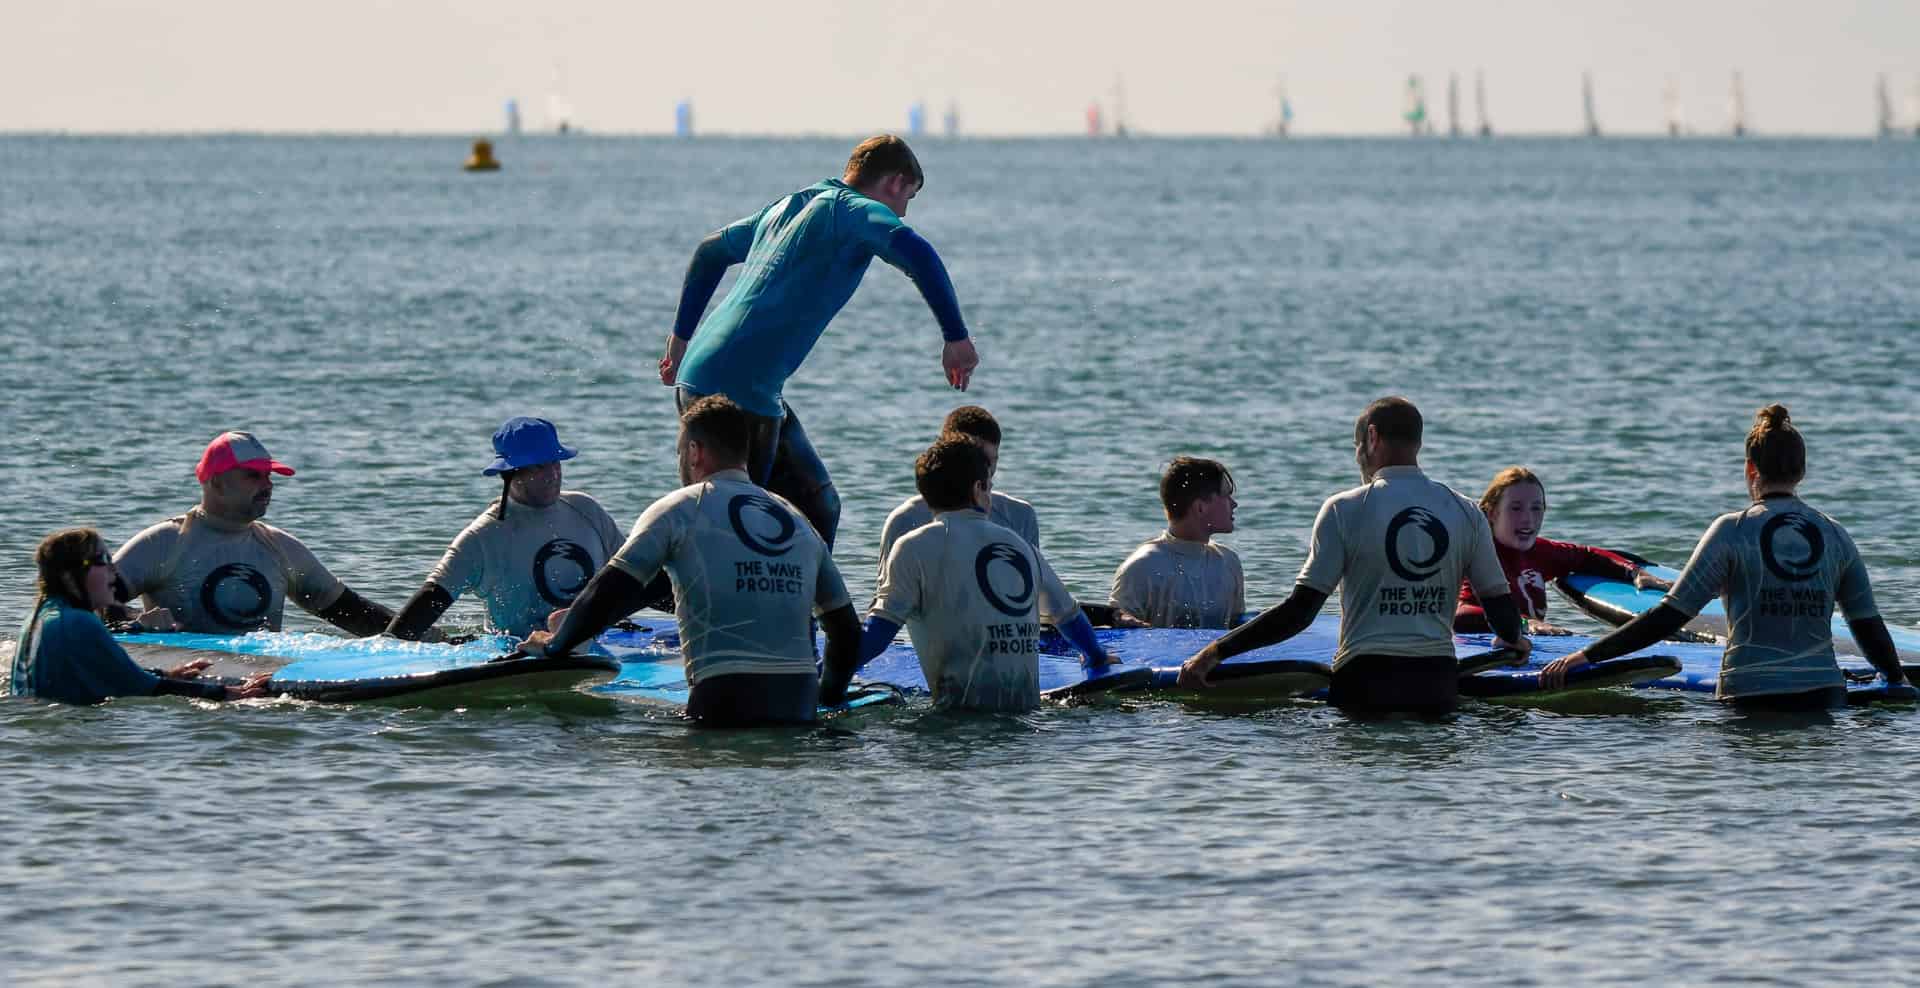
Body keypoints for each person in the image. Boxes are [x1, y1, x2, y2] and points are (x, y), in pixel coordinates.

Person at [657, 134, 981, 549]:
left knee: (816, 504)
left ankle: (806, 611)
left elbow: (708, 252)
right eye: (910, 197)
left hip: (706, 377)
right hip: (740, 392)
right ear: (896, 183)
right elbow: (918, 253)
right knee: (738, 527)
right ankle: (629, 601)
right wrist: (956, 337)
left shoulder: (789, 205)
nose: (903, 210)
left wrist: (679, 338)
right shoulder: (853, 211)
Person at [519, 396, 861, 726]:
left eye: (680, 452)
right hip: (799, 710)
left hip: (722, 705)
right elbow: (846, 633)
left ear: (695, 452)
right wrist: (826, 700)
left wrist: (557, 644)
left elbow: (610, 588)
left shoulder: (679, 509)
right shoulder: (798, 521)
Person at [1178, 397, 1530, 714]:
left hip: (1364, 683)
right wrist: (1514, 637)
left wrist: (1214, 653)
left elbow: (1299, 612)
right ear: (1418, 442)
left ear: (1371, 438)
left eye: (1356, 445)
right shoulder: (1465, 512)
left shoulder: (1344, 509)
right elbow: (1501, 612)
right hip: (1435, 684)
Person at [1540, 405, 1908, 708]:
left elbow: (1668, 617)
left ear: (1750, 469)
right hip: (1825, 695)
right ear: (1803, 472)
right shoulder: (1835, 534)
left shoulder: (1732, 531)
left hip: (1750, 695)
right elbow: (1867, 624)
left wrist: (1585, 657)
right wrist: (1895, 678)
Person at [821, 435, 1112, 712]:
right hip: (1025, 725)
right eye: (989, 486)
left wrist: (822, 678)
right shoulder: (1020, 546)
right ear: (977, 489)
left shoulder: (913, 547)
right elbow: (1068, 617)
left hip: (955, 720)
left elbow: (879, 635)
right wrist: (1096, 656)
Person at [111, 431, 395, 636]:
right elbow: (88, 603)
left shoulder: (280, 547)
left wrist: (426, 639)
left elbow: (352, 613)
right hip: (191, 688)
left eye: (269, 476)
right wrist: (137, 622)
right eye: (253, 475)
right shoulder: (164, 543)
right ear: (217, 483)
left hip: (261, 687)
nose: (268, 485)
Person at [386, 417, 640, 640]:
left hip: (593, 642)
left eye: (555, 462)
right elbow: (431, 598)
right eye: (539, 466)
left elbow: (637, 575)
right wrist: (389, 647)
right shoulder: (481, 538)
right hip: (516, 649)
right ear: (510, 473)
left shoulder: (587, 510)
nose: (553, 474)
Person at [7, 528, 270, 704]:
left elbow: (113, 672)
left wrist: (169, 674)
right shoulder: (78, 622)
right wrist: (229, 694)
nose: (113, 570)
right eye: (100, 561)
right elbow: (142, 688)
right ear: (68, 575)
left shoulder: (40, 616)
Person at [1453, 466, 1671, 635]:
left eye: (1536, 508)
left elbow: (1587, 556)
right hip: (1475, 647)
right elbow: (1460, 614)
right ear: (1492, 513)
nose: (1528, 519)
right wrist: (1525, 623)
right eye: (1515, 508)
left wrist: (1635, 573)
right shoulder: (1476, 554)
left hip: (1526, 645)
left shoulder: (1540, 551)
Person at [876, 405, 1039, 576]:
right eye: (978, 462)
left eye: (992, 462)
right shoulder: (904, 520)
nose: (986, 474)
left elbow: (1039, 591)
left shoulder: (1020, 516)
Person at [1108, 456, 1245, 629]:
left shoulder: (1229, 562)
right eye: (1226, 496)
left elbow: (1239, 629)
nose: (1234, 504)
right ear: (1200, 508)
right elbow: (1117, 639)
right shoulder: (1142, 567)